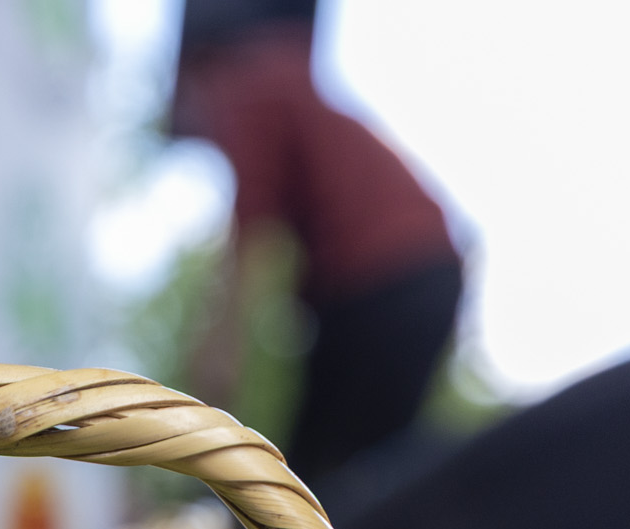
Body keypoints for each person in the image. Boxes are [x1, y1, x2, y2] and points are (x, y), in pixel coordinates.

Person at [172, 0, 462, 489]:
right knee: (364, 463)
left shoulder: (243, 81)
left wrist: (222, 343)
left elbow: (253, 221)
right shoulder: (279, 72)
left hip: (386, 277)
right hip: (419, 271)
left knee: (316, 480)